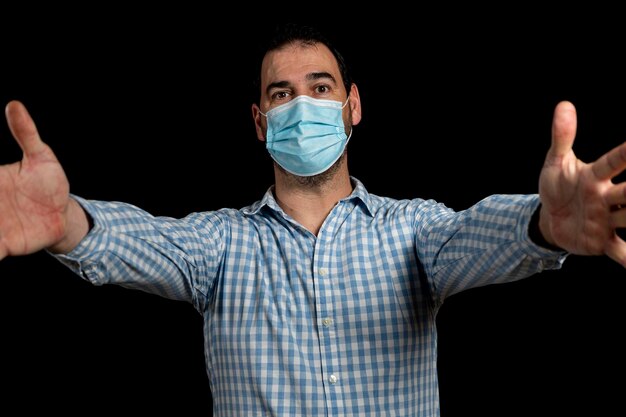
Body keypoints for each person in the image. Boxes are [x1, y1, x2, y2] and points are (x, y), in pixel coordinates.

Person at [1, 23, 626, 416]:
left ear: (352, 106)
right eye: (282, 93)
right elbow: (145, 243)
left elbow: (474, 237)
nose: (302, 103)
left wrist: (541, 225)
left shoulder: (412, 232)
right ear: (258, 121)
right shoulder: (220, 245)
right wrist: (69, 221)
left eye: (321, 88)